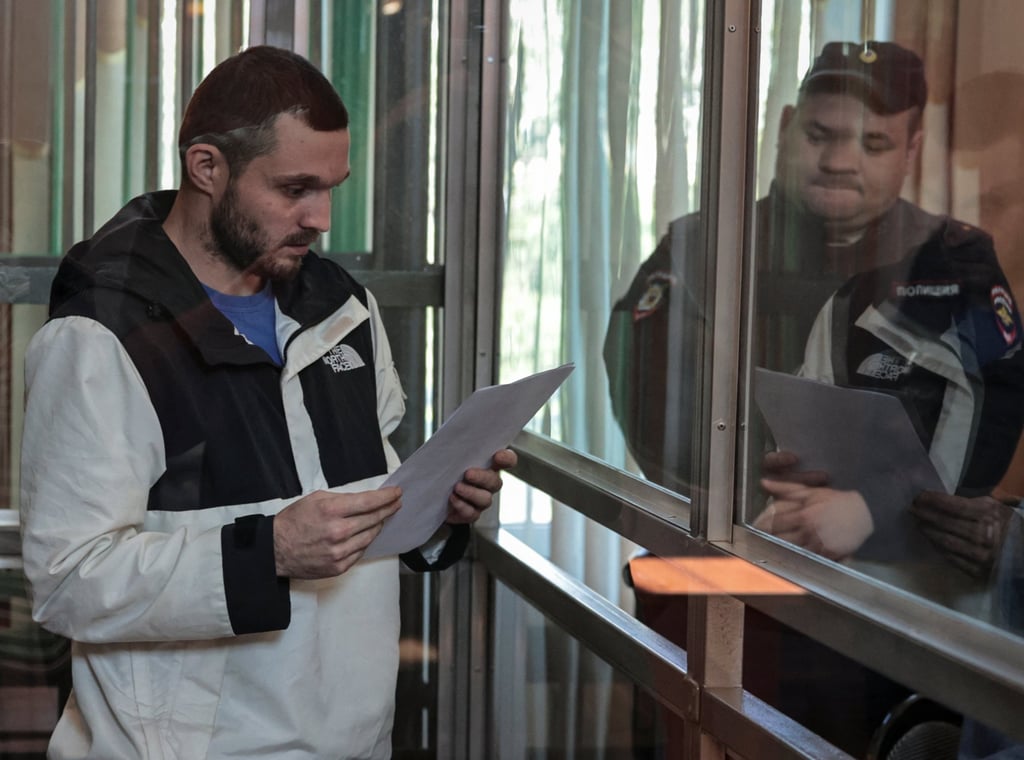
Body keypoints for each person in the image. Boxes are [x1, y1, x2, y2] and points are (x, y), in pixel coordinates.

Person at [18, 45, 516, 759]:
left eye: (332, 188)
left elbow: (362, 501)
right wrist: (271, 552)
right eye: (295, 189)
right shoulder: (101, 334)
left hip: (354, 738)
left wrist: (438, 508)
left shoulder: (344, 305)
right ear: (207, 167)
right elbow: (69, 581)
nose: (321, 219)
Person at [605, 40, 1024, 757]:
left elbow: (987, 424)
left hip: (890, 606)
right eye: (821, 135)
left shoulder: (953, 261)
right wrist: (763, 509)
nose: (840, 161)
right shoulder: (705, 245)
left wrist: (868, 511)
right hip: (719, 571)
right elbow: (643, 395)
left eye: (873, 141)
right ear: (788, 125)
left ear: (912, 148)